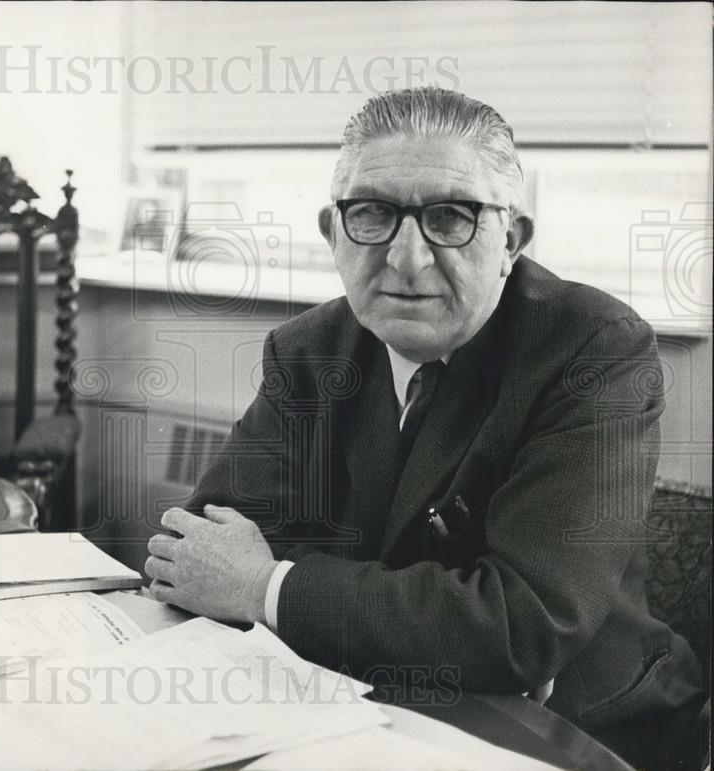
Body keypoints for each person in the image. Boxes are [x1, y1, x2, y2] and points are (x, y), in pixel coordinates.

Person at [144, 88, 705, 769]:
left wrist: (270, 587)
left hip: (576, 726)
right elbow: (201, 552)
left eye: (450, 217)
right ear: (333, 232)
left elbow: (521, 626)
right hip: (347, 702)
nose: (407, 259)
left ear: (512, 240)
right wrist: (452, 626)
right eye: (373, 213)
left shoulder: (594, 351)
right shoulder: (307, 348)